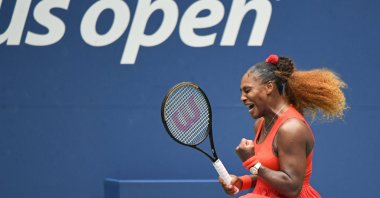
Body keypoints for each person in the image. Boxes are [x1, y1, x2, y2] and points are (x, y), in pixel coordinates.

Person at [219, 54, 346, 197]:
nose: (242, 98)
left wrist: (252, 162)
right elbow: (270, 175)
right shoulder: (260, 124)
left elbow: (292, 188)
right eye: (241, 92)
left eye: (247, 90)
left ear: (269, 87)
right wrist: (243, 182)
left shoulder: (291, 129)